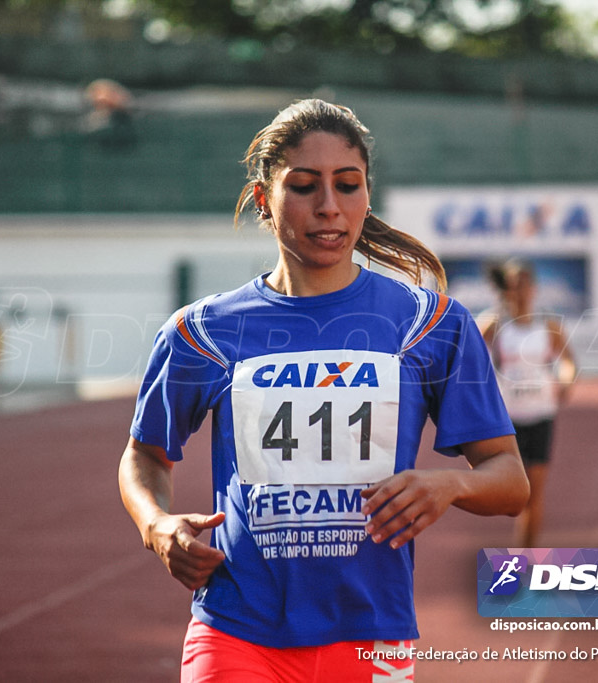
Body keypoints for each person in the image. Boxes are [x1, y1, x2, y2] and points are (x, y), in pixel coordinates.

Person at [119, 99, 529, 681]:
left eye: (348, 184)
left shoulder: (431, 324)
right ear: (265, 199)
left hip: (372, 634)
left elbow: (509, 482)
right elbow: (144, 455)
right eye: (305, 186)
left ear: (367, 196)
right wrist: (154, 524)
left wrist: (450, 483)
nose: (329, 207)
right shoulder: (202, 331)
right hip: (238, 631)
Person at [477, 260, 575, 548]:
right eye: (513, 283)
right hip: (508, 420)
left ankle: (525, 559)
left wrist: (566, 381)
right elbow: (466, 353)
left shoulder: (548, 325)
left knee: (534, 495)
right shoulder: (495, 324)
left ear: (533, 288)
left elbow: (568, 360)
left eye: (524, 283)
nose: (519, 290)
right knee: (513, 496)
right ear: (506, 288)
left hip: (541, 414)